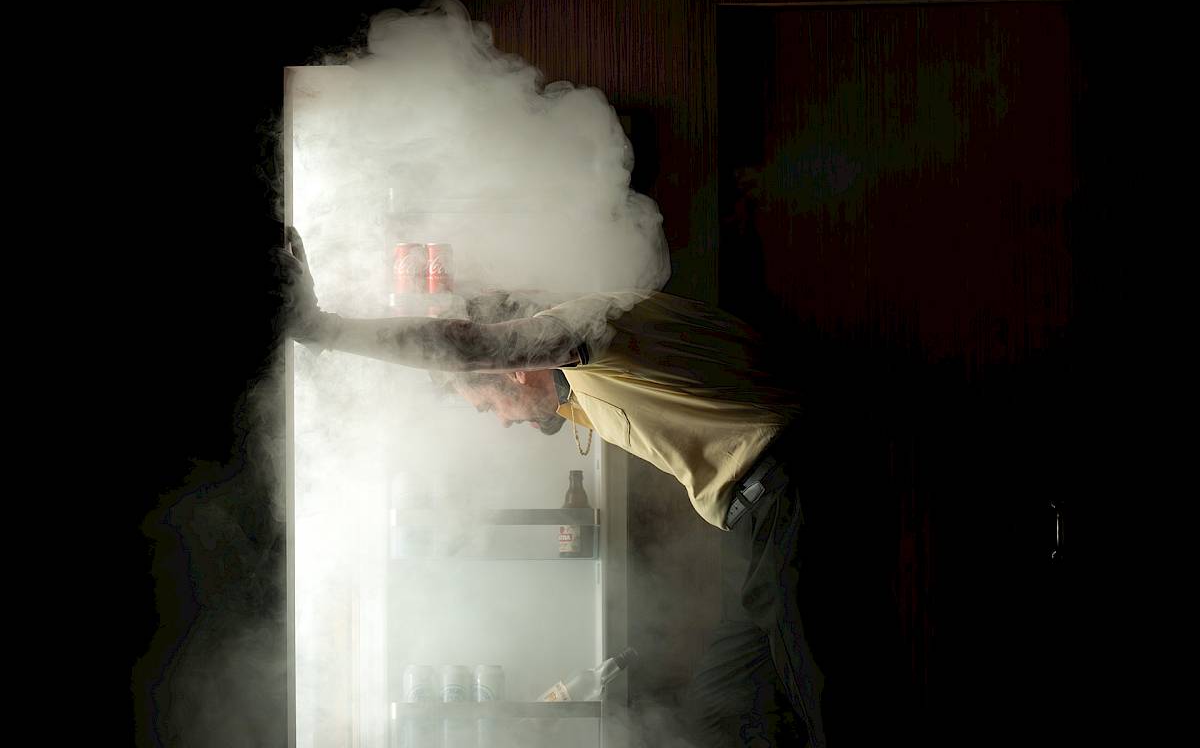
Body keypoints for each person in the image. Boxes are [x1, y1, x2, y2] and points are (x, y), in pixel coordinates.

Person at [277, 226, 899, 747]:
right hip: (755, 513)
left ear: (513, 369)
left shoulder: (595, 328)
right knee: (724, 711)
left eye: (486, 405)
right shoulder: (588, 368)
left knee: (821, 686)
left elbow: (469, 345)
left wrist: (323, 328)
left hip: (788, 490)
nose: (501, 422)